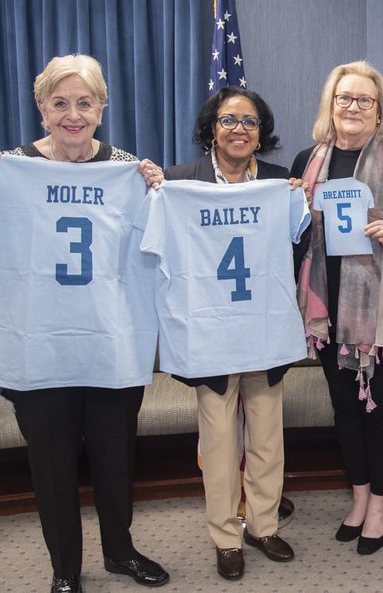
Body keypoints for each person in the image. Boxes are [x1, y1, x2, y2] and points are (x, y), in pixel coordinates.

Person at [0, 54, 168, 593]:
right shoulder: (8, 167)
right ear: (42, 109)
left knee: (116, 460)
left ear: (102, 109)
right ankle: (65, 568)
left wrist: (159, 192)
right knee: (51, 466)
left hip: (111, 345)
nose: (73, 115)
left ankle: (120, 551)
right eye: (60, 103)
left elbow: (164, 245)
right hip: (38, 350)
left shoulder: (128, 168)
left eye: (84, 103)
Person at [292, 61, 383, 555]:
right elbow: (292, 241)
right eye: (344, 98)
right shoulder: (306, 164)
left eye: (364, 100)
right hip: (327, 310)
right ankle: (357, 496)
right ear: (330, 106)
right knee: (345, 408)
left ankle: (380, 501)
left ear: (379, 111)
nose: (353, 108)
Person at [162, 86, 301, 580]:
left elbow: (296, 251)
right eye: (229, 120)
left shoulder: (283, 184)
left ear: (261, 132)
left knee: (267, 433)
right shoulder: (180, 182)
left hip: (264, 329)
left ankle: (263, 526)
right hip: (211, 334)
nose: (239, 129)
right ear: (211, 128)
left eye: (249, 121)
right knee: (219, 440)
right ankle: (226, 534)